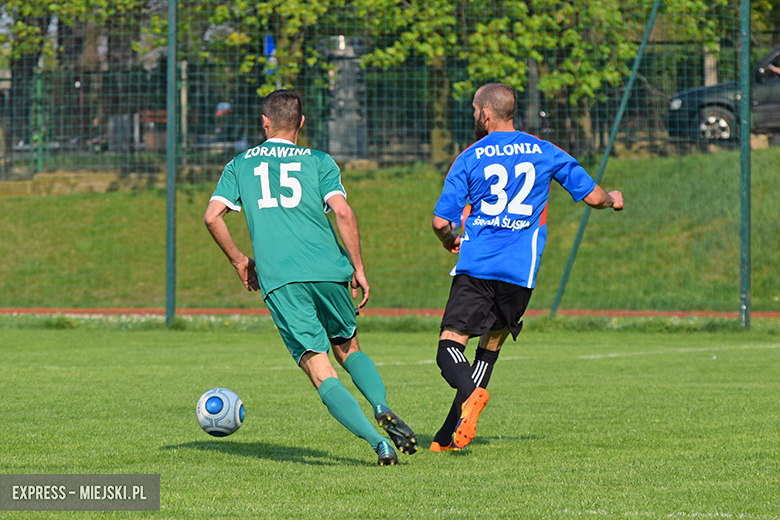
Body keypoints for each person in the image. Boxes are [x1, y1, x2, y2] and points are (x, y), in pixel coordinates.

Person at [203, 89, 417, 466]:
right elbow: (344, 214)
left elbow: (212, 217)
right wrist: (359, 269)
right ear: (301, 122)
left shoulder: (240, 164)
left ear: (264, 123)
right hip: (329, 269)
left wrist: (239, 261)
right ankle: (381, 405)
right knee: (348, 347)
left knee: (320, 369)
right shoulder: (319, 161)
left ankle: (377, 443)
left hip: (282, 279)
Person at [429, 83, 624, 451]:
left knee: (449, 346)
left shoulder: (469, 157)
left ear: (486, 114)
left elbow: (441, 222)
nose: (474, 116)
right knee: (490, 346)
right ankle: (448, 436)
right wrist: (612, 200)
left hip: (478, 266)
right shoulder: (545, 150)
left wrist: (449, 240)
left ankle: (470, 395)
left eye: (475, 110)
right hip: (521, 272)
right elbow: (593, 196)